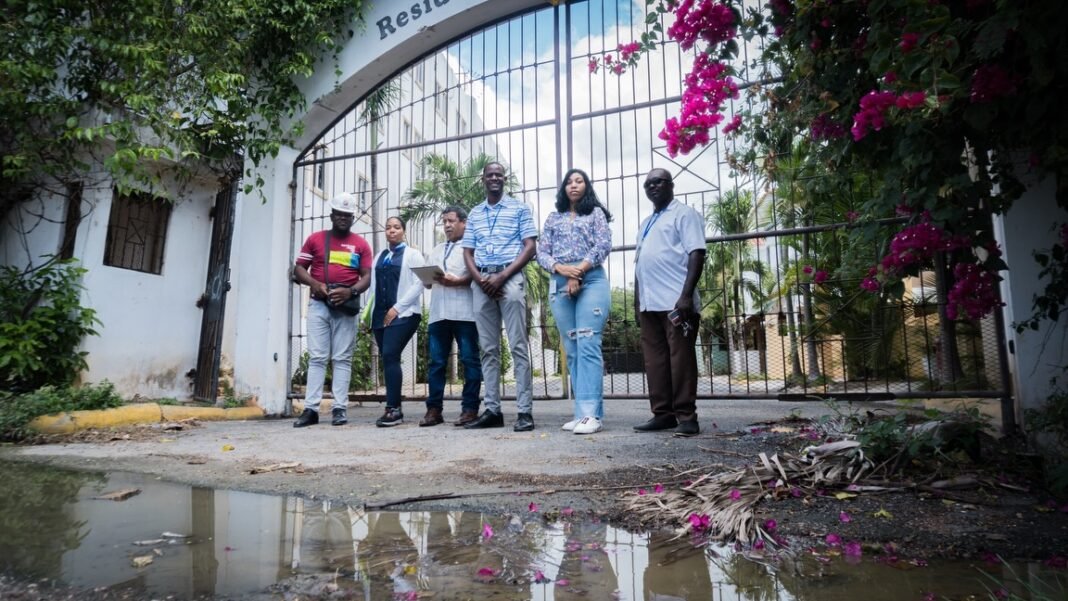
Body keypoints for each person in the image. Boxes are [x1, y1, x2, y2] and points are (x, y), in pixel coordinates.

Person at [461, 161, 538, 432]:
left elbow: (530, 247)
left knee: (518, 346)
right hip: (482, 282)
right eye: (490, 175)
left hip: (510, 279)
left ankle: (524, 411)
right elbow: (467, 251)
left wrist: (502, 276)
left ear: (504, 179)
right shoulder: (475, 213)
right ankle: (492, 409)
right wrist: (480, 279)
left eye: (499, 174)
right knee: (488, 349)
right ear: (483, 179)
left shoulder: (519, 209)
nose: (494, 178)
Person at [536, 169, 612, 435]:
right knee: (573, 349)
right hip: (559, 283)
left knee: (588, 343)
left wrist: (576, 272)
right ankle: (581, 413)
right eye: (569, 182)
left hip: (590, 280)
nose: (574, 185)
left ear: (586, 186)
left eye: (579, 181)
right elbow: (541, 252)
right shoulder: (553, 218)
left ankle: (592, 414)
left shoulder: (595, 214)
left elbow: (602, 245)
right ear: (563, 189)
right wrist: (560, 269)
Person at [633, 168, 706, 437]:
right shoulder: (646, 222)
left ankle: (687, 417)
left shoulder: (684, 214)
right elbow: (640, 264)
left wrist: (686, 296)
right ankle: (663, 414)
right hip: (649, 304)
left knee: (681, 361)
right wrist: (637, 302)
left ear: (671, 185)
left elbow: (697, 253)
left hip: (676, 302)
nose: (653, 187)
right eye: (648, 184)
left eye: (658, 182)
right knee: (655, 362)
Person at [292, 192, 372, 427]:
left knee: (342, 358)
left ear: (353, 218)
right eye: (339, 214)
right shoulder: (315, 239)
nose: (343, 218)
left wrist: (351, 292)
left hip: (346, 307)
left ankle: (339, 408)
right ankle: (311, 410)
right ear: (332, 215)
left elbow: (367, 276)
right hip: (319, 305)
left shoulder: (361, 244)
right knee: (317, 358)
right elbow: (299, 268)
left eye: (347, 215)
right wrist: (315, 284)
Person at [421, 206, 483, 427]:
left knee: (469, 360)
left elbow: (477, 275)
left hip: (465, 313)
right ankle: (434, 410)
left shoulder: (472, 247)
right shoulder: (436, 250)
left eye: (451, 221)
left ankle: (470, 409)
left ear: (464, 223)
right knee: (436, 363)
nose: (447, 225)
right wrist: (427, 278)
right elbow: (427, 284)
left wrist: (458, 281)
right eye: (444, 221)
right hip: (439, 313)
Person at [369, 216, 426, 427]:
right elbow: (373, 287)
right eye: (388, 228)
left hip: (405, 314)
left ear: (404, 231)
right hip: (380, 315)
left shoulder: (413, 255)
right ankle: (393, 407)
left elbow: (420, 283)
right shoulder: (380, 256)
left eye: (396, 227)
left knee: (390, 354)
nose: (391, 231)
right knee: (388, 358)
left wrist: (397, 308)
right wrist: (369, 314)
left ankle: (394, 409)